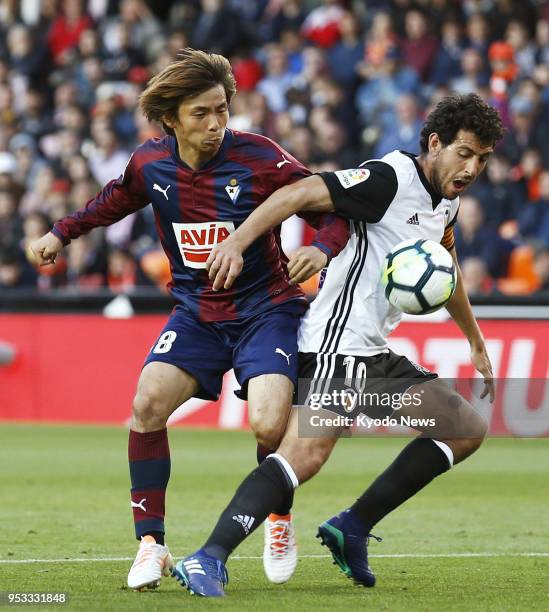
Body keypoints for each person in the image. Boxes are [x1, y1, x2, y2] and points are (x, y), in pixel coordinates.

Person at [29, 48, 349, 592]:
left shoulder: (259, 157)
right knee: (147, 403)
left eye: (222, 109)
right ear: (171, 119)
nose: (216, 123)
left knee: (271, 424)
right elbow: (113, 201)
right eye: (201, 113)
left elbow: (329, 207)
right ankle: (151, 545)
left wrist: (321, 250)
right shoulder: (151, 164)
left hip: (266, 309)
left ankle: (277, 517)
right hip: (198, 313)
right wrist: (61, 233)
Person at [173, 93, 504, 597]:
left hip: (370, 352)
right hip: (333, 345)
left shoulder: (447, 201)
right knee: (304, 456)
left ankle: (351, 526)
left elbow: (447, 263)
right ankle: (207, 557)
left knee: (464, 428)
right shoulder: (388, 178)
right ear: (434, 143)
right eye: (465, 153)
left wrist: (475, 340)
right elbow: (296, 195)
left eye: (482, 158)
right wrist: (237, 241)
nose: (473, 167)